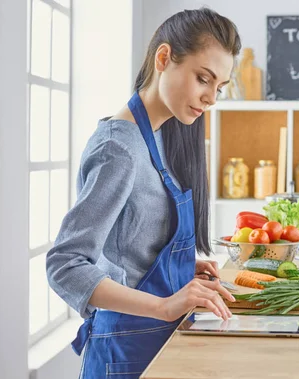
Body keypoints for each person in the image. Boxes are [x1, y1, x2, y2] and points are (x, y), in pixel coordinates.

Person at [46, 7, 241, 378]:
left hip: (159, 346)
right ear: (164, 58)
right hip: (125, 351)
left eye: (219, 87)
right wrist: (166, 306)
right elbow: (65, 265)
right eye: (204, 79)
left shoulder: (162, 134)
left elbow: (126, 244)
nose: (212, 97)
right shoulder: (118, 148)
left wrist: (174, 267)